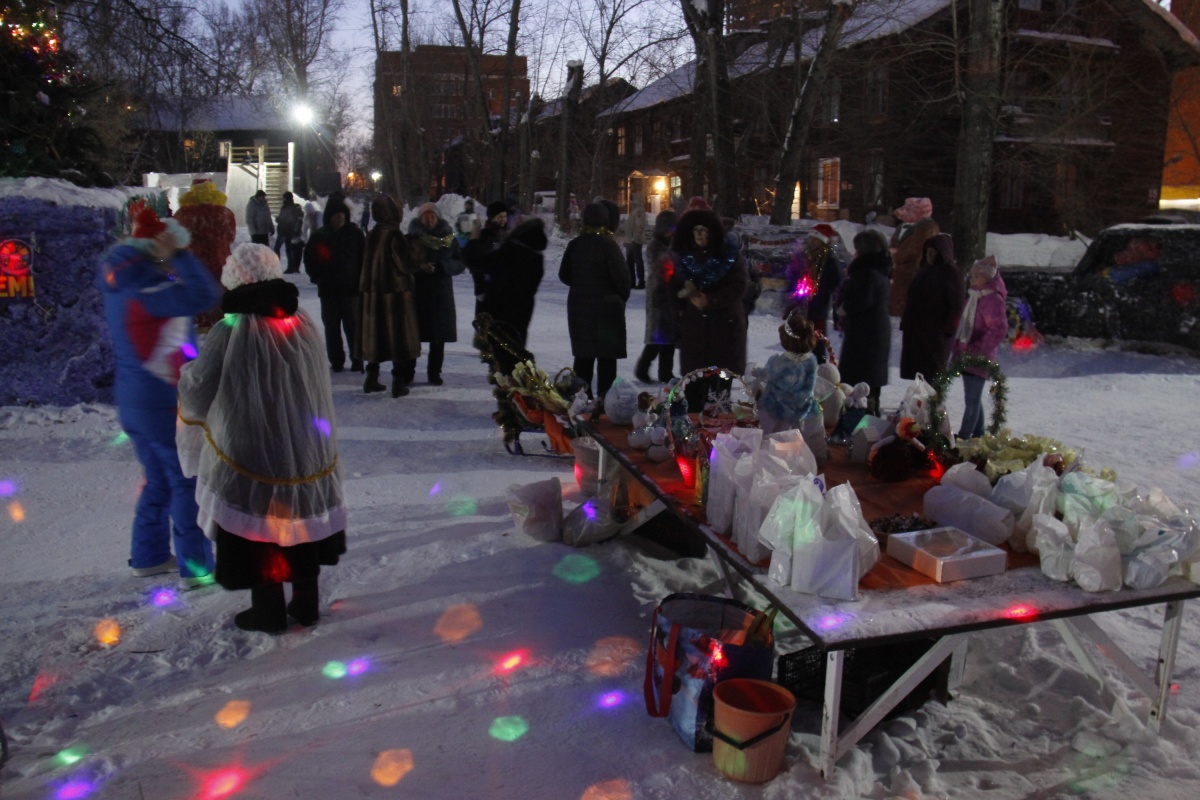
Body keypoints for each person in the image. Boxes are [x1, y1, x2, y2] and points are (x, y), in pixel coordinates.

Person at [176, 244, 346, 633]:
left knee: (260, 528)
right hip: (305, 446)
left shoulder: (230, 328)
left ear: (236, 278)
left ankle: (267, 610)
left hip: (253, 447)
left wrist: (186, 378)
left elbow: (199, 386)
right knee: (300, 521)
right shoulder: (302, 320)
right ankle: (306, 604)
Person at [97, 200, 220, 588]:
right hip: (162, 401)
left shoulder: (120, 282)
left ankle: (148, 556)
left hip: (133, 400)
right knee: (184, 480)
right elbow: (204, 294)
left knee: (157, 480)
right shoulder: (149, 287)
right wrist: (179, 255)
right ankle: (196, 567)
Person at [558, 202, 631, 400]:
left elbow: (564, 275)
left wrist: (581, 285)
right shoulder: (609, 245)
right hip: (608, 311)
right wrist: (619, 297)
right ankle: (605, 403)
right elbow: (624, 280)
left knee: (583, 358)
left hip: (579, 309)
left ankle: (580, 401)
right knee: (607, 361)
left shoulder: (575, 244)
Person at [668, 206, 749, 379]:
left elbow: (739, 286)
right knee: (695, 387)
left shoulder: (729, 256)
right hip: (694, 332)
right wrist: (681, 306)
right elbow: (672, 287)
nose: (699, 234)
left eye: (703, 230)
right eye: (696, 230)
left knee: (720, 390)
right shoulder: (684, 258)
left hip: (724, 329)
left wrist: (711, 300)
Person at [356, 195, 424, 398]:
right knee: (398, 338)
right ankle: (398, 382)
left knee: (375, 336)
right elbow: (407, 265)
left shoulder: (372, 234)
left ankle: (371, 378)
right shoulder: (394, 236)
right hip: (394, 295)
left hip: (371, 293)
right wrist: (417, 248)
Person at [303, 193, 365, 373]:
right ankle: (336, 360)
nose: (340, 217)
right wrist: (317, 277)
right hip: (328, 290)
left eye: (342, 214)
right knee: (332, 327)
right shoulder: (319, 236)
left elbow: (364, 259)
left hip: (351, 290)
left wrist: (360, 281)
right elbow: (310, 260)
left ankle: (357, 358)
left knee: (353, 326)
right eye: (336, 214)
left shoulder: (355, 234)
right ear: (329, 216)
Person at [756, 312, 827, 464]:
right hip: (804, 406)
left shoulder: (781, 362)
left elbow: (769, 375)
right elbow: (810, 386)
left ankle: (781, 457)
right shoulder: (810, 361)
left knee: (775, 428)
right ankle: (814, 455)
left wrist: (759, 374)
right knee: (813, 428)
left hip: (781, 407)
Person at [409, 202, 465, 385]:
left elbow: (459, 263)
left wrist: (442, 267)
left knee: (438, 337)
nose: (429, 220)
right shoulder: (411, 239)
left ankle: (434, 372)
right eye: (426, 216)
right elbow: (403, 261)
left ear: (438, 218)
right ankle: (408, 371)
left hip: (441, 294)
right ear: (420, 218)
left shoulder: (449, 240)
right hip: (417, 293)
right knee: (413, 335)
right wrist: (419, 267)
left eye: (432, 216)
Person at [837, 230, 893, 416]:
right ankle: (867, 410)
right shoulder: (878, 270)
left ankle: (861, 416)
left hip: (866, 335)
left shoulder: (867, 273)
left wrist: (844, 308)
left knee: (861, 377)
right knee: (870, 377)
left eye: (857, 249)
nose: (855, 253)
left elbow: (861, 300)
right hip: (872, 332)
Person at [952, 256, 1008, 439]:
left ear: (987, 277)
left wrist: (978, 348)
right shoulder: (974, 296)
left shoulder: (993, 300)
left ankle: (964, 436)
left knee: (972, 399)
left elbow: (998, 329)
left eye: (977, 275)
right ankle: (978, 434)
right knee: (972, 396)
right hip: (966, 353)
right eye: (972, 275)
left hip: (979, 356)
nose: (972, 278)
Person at [900, 232, 965, 381]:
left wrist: (948, 329)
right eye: (927, 252)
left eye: (933, 252)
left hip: (935, 334)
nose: (929, 255)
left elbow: (957, 305)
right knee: (919, 374)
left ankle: (932, 403)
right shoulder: (923, 271)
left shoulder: (951, 273)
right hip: (917, 332)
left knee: (932, 373)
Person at [173, 178, 236, 331]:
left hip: (194, 261)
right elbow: (231, 236)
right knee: (221, 290)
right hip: (221, 260)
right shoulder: (225, 213)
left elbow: (176, 239)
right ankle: (221, 321)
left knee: (198, 290)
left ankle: (201, 321)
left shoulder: (182, 214)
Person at [476, 217, 548, 348]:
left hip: (500, 303)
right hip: (523, 306)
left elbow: (484, 263)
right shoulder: (537, 256)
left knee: (499, 345)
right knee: (517, 342)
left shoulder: (509, 248)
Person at [634, 210, 679, 383]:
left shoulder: (671, 245)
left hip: (670, 296)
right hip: (659, 296)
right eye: (669, 229)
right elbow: (662, 268)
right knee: (658, 337)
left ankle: (665, 372)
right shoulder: (655, 246)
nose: (672, 232)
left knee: (670, 338)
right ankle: (643, 368)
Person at [888, 197, 940, 317]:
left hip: (913, 271)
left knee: (906, 302)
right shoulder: (904, 226)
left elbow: (915, 249)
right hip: (899, 272)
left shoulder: (928, 227)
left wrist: (896, 254)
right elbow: (895, 241)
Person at [798, 223, 845, 337]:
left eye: (815, 240)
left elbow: (837, 289)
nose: (811, 242)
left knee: (816, 344)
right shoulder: (809, 257)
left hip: (819, 309)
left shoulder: (829, 260)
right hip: (806, 308)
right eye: (811, 239)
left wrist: (837, 318)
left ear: (823, 242)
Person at [464, 201, 509, 315]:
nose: (503, 219)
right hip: (487, 292)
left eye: (505, 216)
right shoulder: (484, 236)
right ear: (492, 217)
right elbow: (473, 261)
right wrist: (481, 289)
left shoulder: (507, 235)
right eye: (500, 216)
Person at [274, 191, 305, 273]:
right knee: (289, 250)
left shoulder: (286, 207)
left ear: (286, 198)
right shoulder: (293, 207)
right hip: (290, 231)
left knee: (277, 248)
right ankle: (291, 267)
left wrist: (278, 219)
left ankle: (275, 266)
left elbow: (284, 219)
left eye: (284, 198)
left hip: (284, 231)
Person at [625, 197, 647, 290]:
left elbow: (640, 225)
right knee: (631, 262)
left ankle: (640, 281)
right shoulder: (635, 211)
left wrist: (635, 237)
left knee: (636, 261)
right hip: (631, 240)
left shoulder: (639, 210)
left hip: (634, 241)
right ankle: (633, 281)